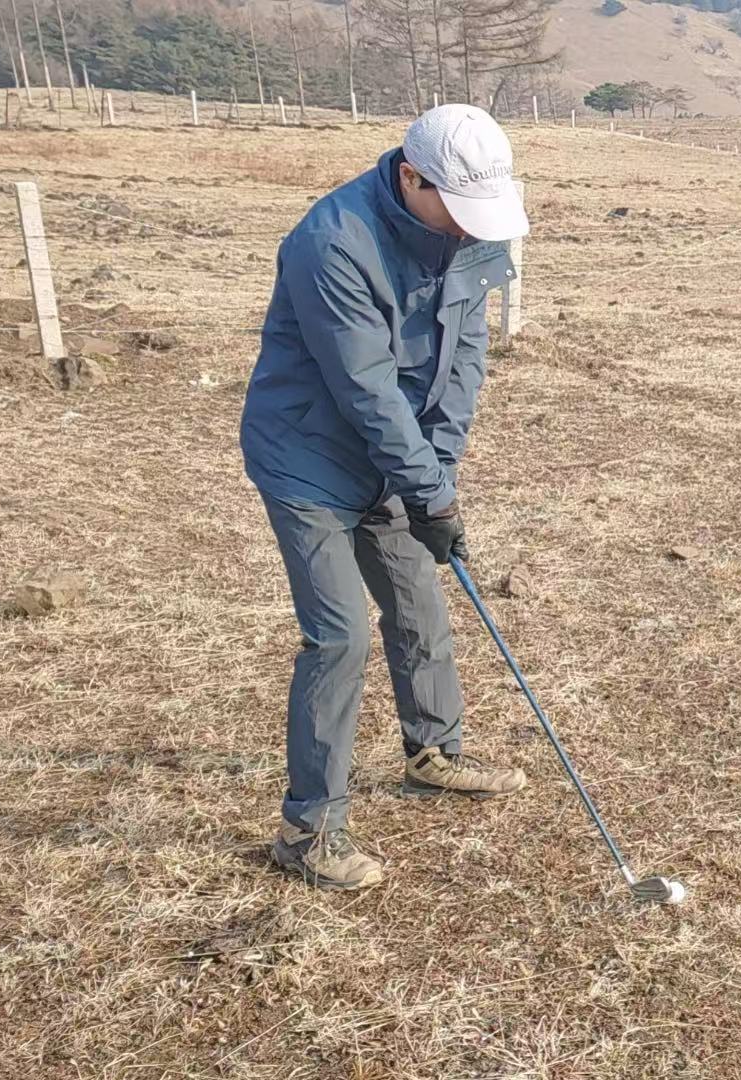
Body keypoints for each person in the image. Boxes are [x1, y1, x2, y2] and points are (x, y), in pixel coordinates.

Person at [239, 104, 531, 890]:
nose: (472, 229)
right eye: (458, 211)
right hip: (309, 458)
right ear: (411, 176)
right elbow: (365, 388)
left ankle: (433, 753)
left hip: (396, 464)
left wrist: (438, 475)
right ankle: (310, 830)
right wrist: (426, 490)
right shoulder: (331, 241)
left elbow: (466, 353)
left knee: (418, 605)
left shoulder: (471, 235)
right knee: (339, 639)